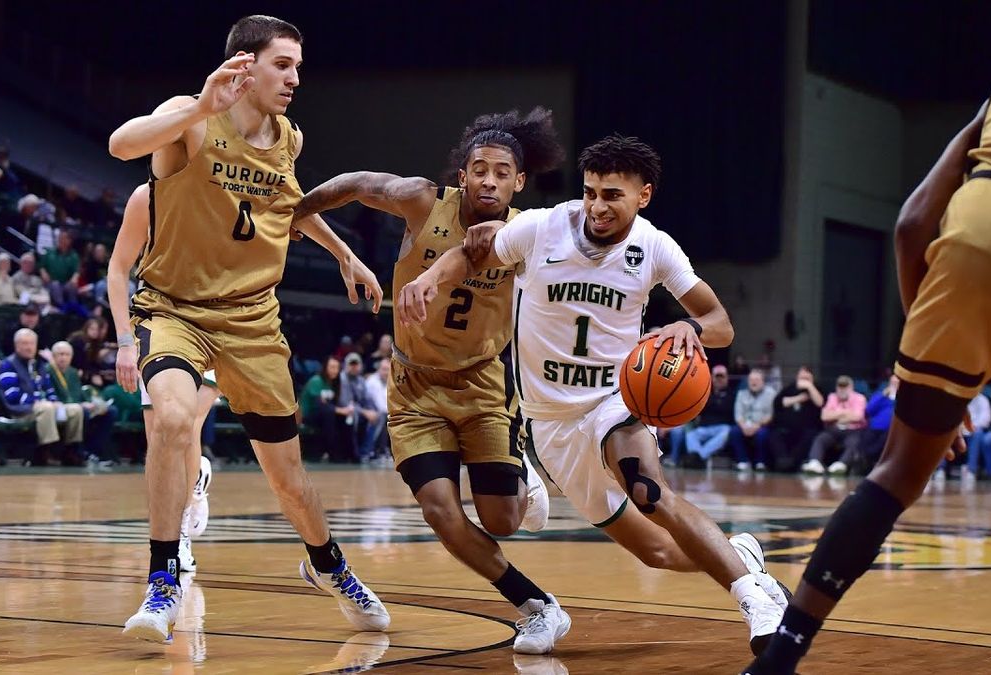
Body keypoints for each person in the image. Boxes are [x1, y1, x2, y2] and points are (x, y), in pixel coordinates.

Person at [744, 4, 991, 671]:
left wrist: (931, 371)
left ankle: (780, 656)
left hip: (971, 237)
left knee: (894, 474)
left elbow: (913, 223)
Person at [399, 134, 789, 655]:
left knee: (647, 490)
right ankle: (742, 555)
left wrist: (689, 330)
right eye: (590, 193)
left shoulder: (654, 247)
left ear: (643, 196)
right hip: (551, 422)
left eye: (612, 195)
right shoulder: (541, 229)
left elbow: (720, 323)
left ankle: (755, 602)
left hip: (616, 398)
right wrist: (429, 278)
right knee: (658, 553)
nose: (597, 207)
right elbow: (470, 256)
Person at [107, 14, 388, 643]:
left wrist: (346, 255)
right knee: (175, 420)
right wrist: (198, 106)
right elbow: (122, 145)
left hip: (253, 321)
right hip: (175, 309)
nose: (293, 78)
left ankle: (328, 565)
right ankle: (163, 580)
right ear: (244, 66)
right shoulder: (191, 116)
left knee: (287, 477)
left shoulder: (288, 139)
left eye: (297, 67)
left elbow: (289, 205)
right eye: (282, 65)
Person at [296, 109, 563, 653]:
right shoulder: (422, 200)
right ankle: (536, 605)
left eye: (501, 172)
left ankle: (521, 478)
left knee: (503, 521)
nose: (489, 179)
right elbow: (356, 185)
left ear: (518, 183)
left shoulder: (526, 234)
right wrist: (298, 211)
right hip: (415, 388)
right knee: (441, 511)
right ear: (461, 176)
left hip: (483, 385)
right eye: (479, 169)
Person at [0, 328, 84, 466]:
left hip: (41, 407)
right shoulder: (8, 364)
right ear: (16, 345)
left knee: (75, 409)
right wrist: (36, 401)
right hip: (20, 410)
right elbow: (11, 395)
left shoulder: (39, 364)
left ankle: (71, 451)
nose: (29, 347)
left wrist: (55, 401)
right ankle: (46, 450)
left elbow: (48, 389)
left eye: (32, 343)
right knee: (47, 407)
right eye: (24, 344)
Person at [48, 340, 118, 465]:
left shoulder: (73, 372)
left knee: (110, 411)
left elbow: (80, 395)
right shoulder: (47, 371)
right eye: (60, 354)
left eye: (67, 354)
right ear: (53, 356)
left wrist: (90, 403)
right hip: (60, 409)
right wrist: (81, 405)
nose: (63, 357)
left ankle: (92, 451)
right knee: (82, 412)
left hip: (78, 406)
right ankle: (78, 453)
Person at [767, 366, 824, 472]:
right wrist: (799, 398)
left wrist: (810, 387)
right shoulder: (790, 388)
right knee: (774, 434)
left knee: (809, 436)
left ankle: (793, 462)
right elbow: (780, 402)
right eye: (802, 378)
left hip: (808, 428)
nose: (804, 381)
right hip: (785, 428)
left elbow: (820, 402)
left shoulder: (817, 389)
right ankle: (782, 461)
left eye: (807, 379)